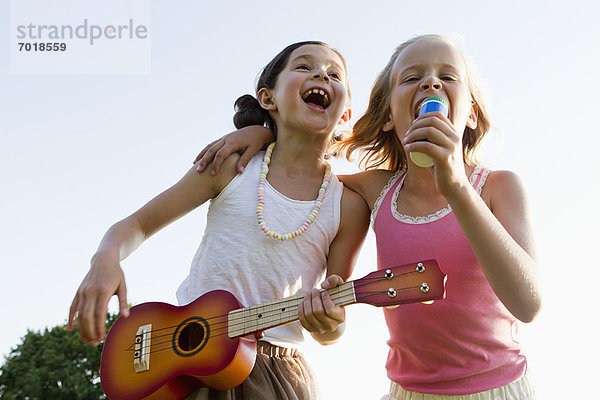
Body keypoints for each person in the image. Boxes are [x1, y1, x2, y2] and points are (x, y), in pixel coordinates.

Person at [193, 34, 542, 400]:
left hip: (497, 387)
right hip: (407, 391)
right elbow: (301, 168)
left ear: (469, 113)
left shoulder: (498, 187)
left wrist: (455, 183)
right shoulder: (377, 190)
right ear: (389, 116)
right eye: (411, 78)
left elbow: (528, 304)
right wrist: (264, 133)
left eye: (448, 76)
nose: (431, 82)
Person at [67, 41, 370, 400]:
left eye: (334, 74)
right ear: (268, 99)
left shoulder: (348, 206)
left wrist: (331, 323)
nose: (321, 74)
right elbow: (137, 225)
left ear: (346, 116)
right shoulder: (232, 165)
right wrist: (105, 259)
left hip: (276, 374)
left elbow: (331, 318)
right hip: (188, 363)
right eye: (304, 67)